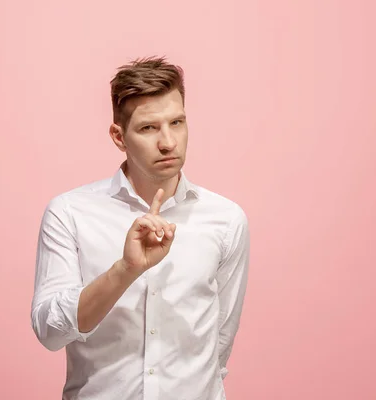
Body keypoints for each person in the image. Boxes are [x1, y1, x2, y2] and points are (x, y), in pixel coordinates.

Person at [30, 56, 250, 400]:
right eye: (148, 128)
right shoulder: (70, 213)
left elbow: (219, 342)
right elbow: (50, 332)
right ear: (119, 136)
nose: (168, 142)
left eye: (177, 122)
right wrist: (125, 270)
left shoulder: (226, 218)